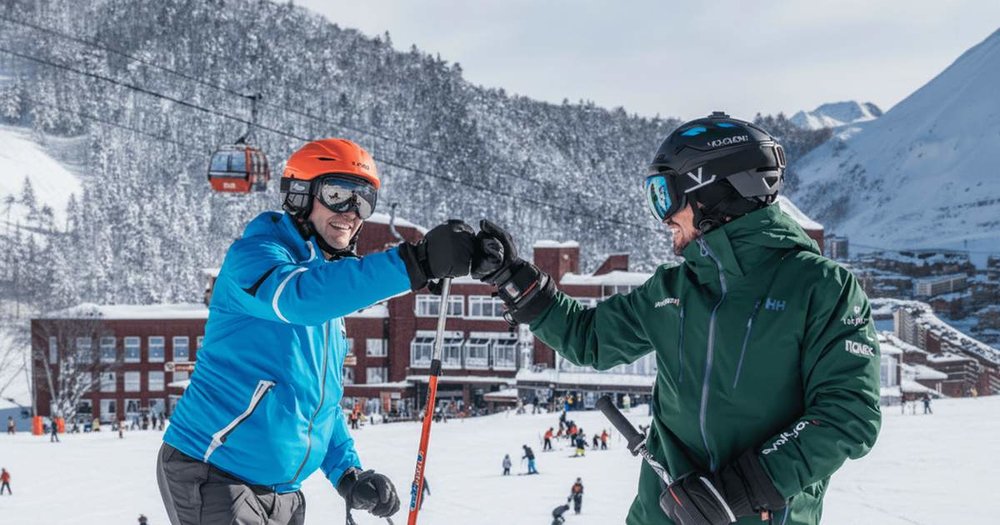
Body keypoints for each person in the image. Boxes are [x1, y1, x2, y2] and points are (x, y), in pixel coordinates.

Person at [471, 113, 881, 525]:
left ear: (716, 192)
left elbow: (847, 414)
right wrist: (511, 278)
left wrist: (741, 489)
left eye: (665, 195)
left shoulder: (821, 288)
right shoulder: (673, 289)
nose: (663, 217)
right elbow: (588, 337)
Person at [158, 138, 478, 525]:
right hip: (213, 471)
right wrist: (418, 264)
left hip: (285, 492)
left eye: (363, 201)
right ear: (300, 194)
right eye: (338, 194)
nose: (352, 212)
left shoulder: (326, 291)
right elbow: (297, 299)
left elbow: (318, 402)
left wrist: (347, 473)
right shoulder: (256, 258)